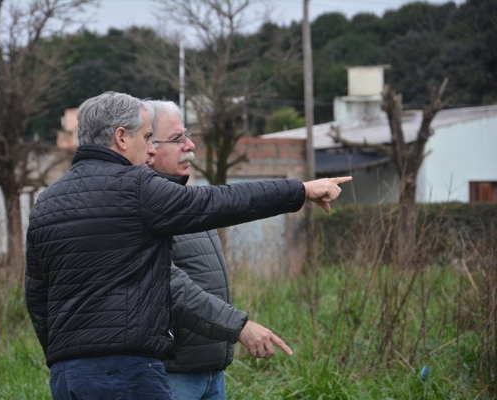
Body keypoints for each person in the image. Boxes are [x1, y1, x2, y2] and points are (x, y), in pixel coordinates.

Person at [25, 91, 351, 400]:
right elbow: (221, 201)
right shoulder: (138, 187)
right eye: (145, 138)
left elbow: (38, 296)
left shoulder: (46, 202)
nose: (150, 150)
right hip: (127, 371)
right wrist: (300, 190)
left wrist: (62, 356)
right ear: (121, 138)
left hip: (68, 375)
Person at [146, 100, 289, 399]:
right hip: (172, 376)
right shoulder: (146, 210)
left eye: (188, 135)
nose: (190, 145)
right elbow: (172, 289)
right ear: (147, 146)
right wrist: (239, 327)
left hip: (212, 373)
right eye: (177, 139)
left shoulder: (186, 203)